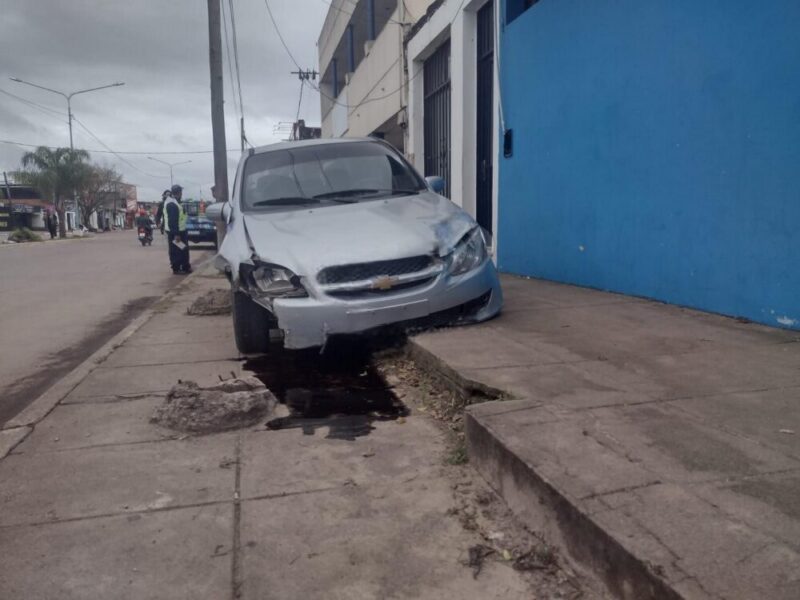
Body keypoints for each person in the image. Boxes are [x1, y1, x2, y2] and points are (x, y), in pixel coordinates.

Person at [163, 184, 192, 274]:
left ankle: (184, 267)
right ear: (179, 192)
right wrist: (176, 234)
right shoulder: (172, 204)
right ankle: (178, 268)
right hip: (176, 233)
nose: (182, 194)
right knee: (178, 251)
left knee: (181, 250)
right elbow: (173, 220)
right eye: (181, 192)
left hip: (179, 231)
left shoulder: (174, 202)